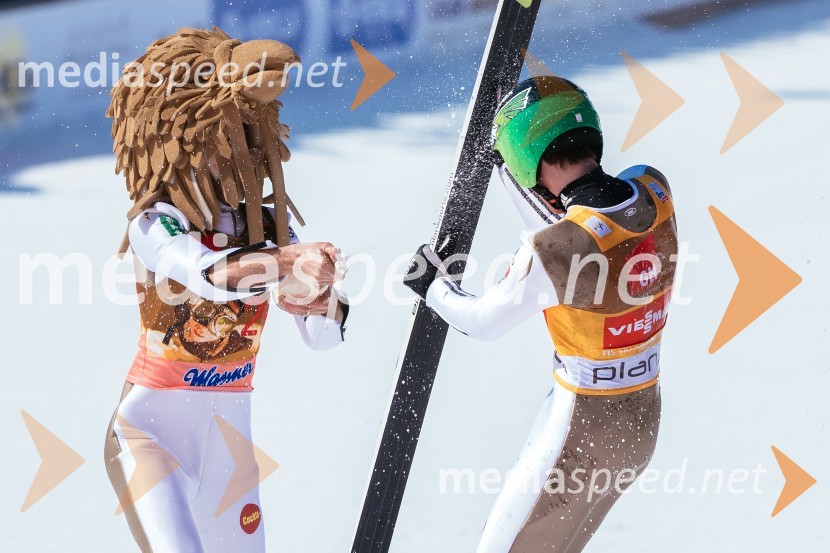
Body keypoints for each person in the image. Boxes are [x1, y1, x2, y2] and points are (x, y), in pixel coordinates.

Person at [405, 76, 678, 553]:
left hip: (579, 429)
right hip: (642, 421)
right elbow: (575, 221)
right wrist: (515, 166)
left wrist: (433, 286)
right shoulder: (654, 188)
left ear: (528, 159)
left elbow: (483, 322)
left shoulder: (552, 252)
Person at [103, 28, 348, 552]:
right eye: (212, 146)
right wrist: (286, 262)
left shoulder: (268, 225)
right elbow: (209, 276)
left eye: (239, 141)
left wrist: (322, 299)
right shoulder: (157, 221)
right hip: (151, 440)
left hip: (230, 450)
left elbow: (322, 340)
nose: (228, 162)